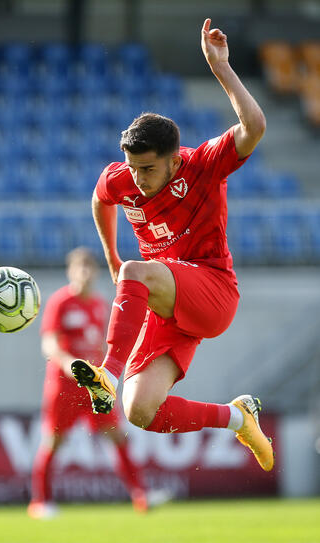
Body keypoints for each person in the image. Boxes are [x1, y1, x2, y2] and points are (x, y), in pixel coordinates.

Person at [71, 18, 274, 472]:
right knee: (139, 410)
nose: (136, 180)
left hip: (213, 292)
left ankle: (107, 369)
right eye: (131, 167)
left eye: (146, 169)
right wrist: (110, 255)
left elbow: (255, 126)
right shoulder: (122, 178)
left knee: (137, 271)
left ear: (174, 159)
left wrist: (221, 68)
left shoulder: (203, 165)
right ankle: (238, 417)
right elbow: (100, 197)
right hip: (168, 303)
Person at [28, 247, 169, 519]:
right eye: (79, 267)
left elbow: (104, 345)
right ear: (70, 272)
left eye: (89, 267)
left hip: (94, 386)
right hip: (65, 386)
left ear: (95, 271)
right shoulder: (60, 302)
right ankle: (40, 502)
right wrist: (70, 365)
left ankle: (141, 496)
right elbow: (49, 345)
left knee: (117, 436)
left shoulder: (100, 304)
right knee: (55, 441)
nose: (84, 272)